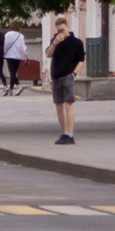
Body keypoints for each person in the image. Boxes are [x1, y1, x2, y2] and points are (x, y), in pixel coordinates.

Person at [45, 16, 83, 144]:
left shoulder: (76, 43)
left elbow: (81, 60)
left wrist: (74, 73)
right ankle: (63, 133)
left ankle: (70, 134)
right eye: (58, 30)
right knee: (58, 105)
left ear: (67, 27)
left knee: (68, 103)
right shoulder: (55, 41)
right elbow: (48, 54)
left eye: (62, 29)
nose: (60, 32)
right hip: (56, 76)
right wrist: (55, 43)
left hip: (68, 75)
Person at [0, 25, 26, 95]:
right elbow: (23, 47)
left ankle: (19, 86)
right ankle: (11, 90)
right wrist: (26, 55)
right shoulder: (21, 36)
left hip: (10, 56)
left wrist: (2, 52)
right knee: (14, 73)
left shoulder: (8, 34)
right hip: (18, 56)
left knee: (12, 73)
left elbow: (5, 44)